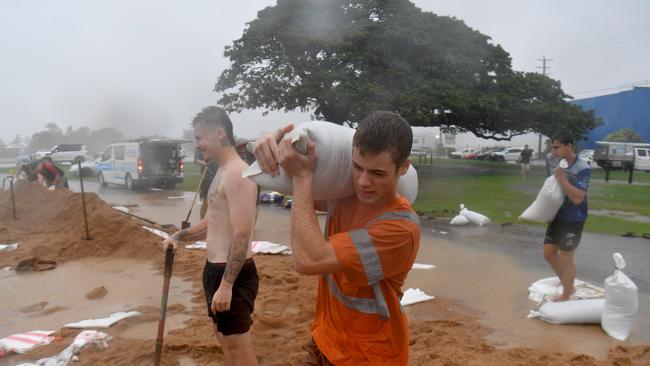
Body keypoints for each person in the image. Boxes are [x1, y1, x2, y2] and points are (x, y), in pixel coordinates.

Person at [254, 111, 421, 365]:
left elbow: (308, 260)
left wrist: (302, 177)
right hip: (325, 338)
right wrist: (271, 146)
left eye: (377, 173)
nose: (363, 182)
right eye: (357, 167)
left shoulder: (401, 229)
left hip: (368, 357)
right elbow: (304, 200)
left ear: (403, 167)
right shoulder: (346, 192)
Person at [162, 106, 259, 365]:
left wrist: (227, 285)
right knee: (224, 341)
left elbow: (242, 233)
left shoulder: (238, 173)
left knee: (238, 348)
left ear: (219, 134)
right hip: (214, 271)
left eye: (199, 137)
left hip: (233, 276)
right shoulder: (221, 170)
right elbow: (212, 222)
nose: (197, 145)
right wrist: (179, 236)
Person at [543, 131, 590, 302]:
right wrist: (547, 211)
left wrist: (561, 178)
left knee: (565, 256)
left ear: (568, 146)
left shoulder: (582, 167)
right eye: (552, 147)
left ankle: (566, 294)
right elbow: (549, 188)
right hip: (557, 215)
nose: (553, 151)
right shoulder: (550, 160)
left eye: (557, 147)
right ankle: (568, 285)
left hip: (574, 217)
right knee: (548, 253)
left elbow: (578, 198)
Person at [194, 148, 219, 219]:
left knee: (217, 200)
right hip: (207, 177)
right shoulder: (200, 147)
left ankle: (215, 221)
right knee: (206, 201)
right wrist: (204, 163)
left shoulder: (217, 145)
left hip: (218, 176)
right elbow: (196, 160)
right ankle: (202, 220)